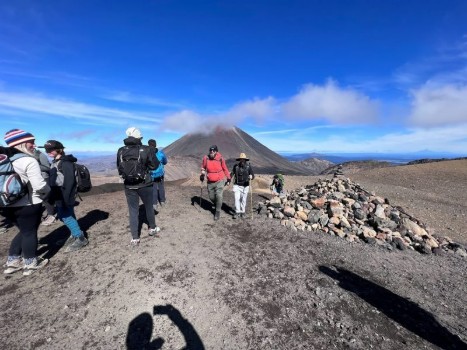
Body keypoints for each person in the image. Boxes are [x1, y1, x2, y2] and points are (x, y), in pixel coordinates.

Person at [1, 129, 50, 275]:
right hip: (28, 204)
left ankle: (13, 261)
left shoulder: (4, 161)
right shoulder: (28, 160)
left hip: (5, 204)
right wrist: (48, 193)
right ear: (21, 143)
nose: (34, 145)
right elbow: (40, 186)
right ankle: (31, 263)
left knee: (23, 230)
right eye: (31, 142)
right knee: (29, 232)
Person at [42, 140, 88, 252]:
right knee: (69, 214)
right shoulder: (56, 162)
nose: (48, 152)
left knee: (64, 216)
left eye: (51, 149)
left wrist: (66, 198)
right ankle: (74, 234)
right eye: (47, 150)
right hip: (59, 194)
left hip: (64, 194)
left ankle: (80, 237)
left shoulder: (65, 163)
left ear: (59, 149)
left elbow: (69, 182)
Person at [117, 127, 160, 245]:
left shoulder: (121, 150)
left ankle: (135, 237)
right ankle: (152, 228)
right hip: (145, 184)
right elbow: (154, 166)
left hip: (129, 186)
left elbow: (119, 168)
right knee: (148, 207)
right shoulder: (146, 149)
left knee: (133, 210)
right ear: (139, 137)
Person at [200, 145, 231, 221]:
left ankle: (217, 212)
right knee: (211, 197)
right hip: (210, 181)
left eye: (213, 151)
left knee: (219, 196)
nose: (212, 152)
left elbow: (225, 168)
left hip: (219, 180)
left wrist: (228, 177)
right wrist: (202, 174)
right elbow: (203, 167)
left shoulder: (220, 158)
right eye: (210, 151)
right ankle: (218, 204)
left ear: (216, 152)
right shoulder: (206, 158)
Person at [33, 148, 57, 226]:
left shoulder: (40, 154)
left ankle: (51, 215)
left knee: (47, 198)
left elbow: (47, 167)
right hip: (33, 179)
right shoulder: (26, 155)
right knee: (37, 198)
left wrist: (34, 165)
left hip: (44, 178)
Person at [230, 153, 255, 219]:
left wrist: (251, 176)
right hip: (237, 185)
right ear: (239, 160)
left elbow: (253, 176)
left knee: (243, 199)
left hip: (245, 186)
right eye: (241, 159)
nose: (242, 161)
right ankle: (237, 212)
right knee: (237, 199)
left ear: (245, 160)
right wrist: (228, 180)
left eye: (243, 159)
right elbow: (232, 173)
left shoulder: (248, 167)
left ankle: (242, 212)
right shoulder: (236, 166)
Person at [148, 139, 168, 211]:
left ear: (148, 145)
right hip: (160, 174)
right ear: (155, 145)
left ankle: (154, 204)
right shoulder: (160, 153)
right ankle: (162, 201)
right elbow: (165, 162)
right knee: (161, 187)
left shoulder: (147, 154)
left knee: (153, 189)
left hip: (151, 175)